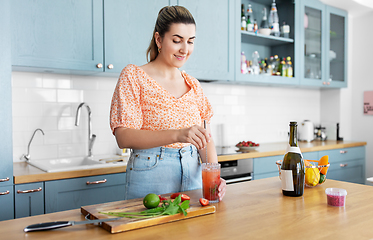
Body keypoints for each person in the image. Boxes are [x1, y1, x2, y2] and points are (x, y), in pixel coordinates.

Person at [110, 5, 226, 201]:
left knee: (195, 231)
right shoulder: (134, 76)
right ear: (158, 39)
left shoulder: (193, 85)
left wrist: (214, 175)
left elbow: (205, 138)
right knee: (150, 230)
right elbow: (123, 136)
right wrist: (178, 134)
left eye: (190, 42)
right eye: (177, 40)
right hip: (151, 173)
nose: (185, 49)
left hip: (194, 171)